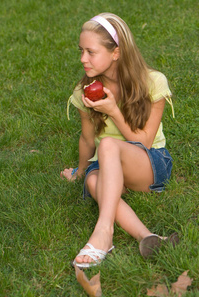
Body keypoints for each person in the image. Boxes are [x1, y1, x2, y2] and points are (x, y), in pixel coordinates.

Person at [61, 13, 178, 268]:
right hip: (107, 168)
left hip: (146, 164)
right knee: (93, 179)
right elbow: (87, 138)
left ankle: (103, 233)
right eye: (81, 50)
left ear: (116, 53)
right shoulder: (84, 92)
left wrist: (114, 110)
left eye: (91, 52)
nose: (83, 59)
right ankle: (148, 236)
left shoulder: (152, 82)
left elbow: (145, 142)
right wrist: (80, 171)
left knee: (109, 145)